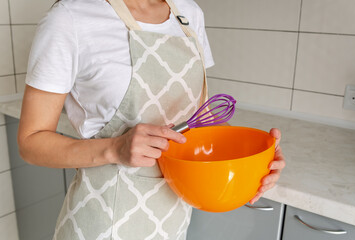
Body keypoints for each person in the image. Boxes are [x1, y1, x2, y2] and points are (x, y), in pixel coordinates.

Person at [17, 0, 286, 239]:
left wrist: (251, 162)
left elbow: (198, 123)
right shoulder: (70, 19)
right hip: (104, 222)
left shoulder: (189, 13)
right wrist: (114, 148)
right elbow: (31, 143)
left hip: (172, 220)